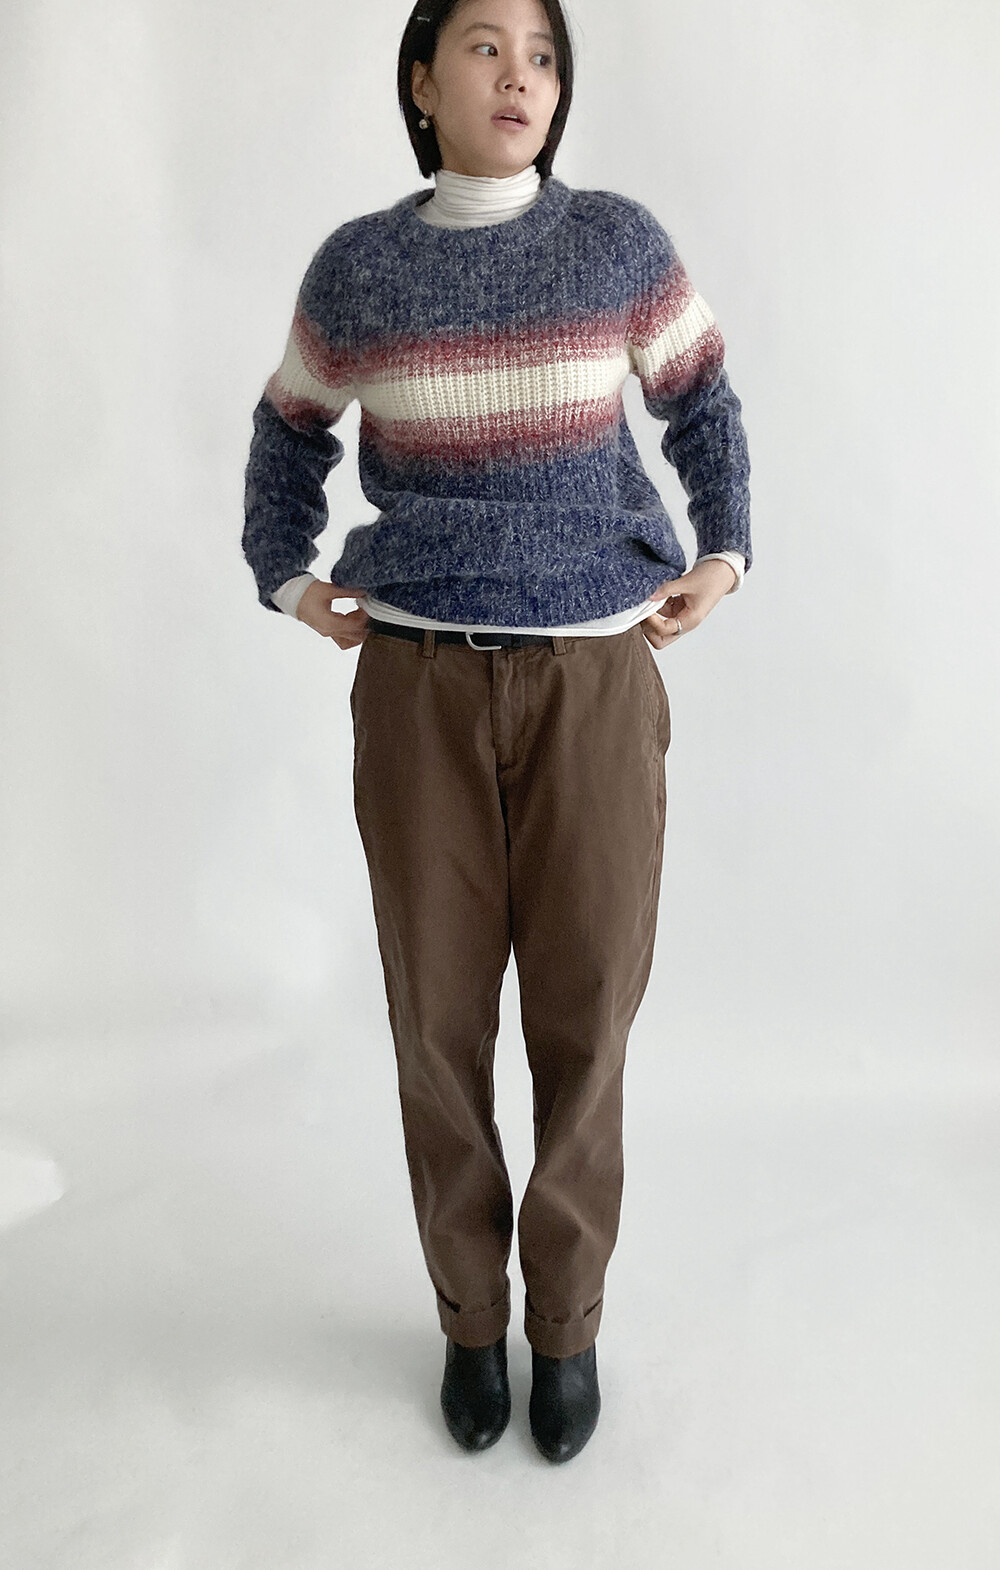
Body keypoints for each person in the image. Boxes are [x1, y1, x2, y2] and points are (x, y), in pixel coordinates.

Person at [242, 0, 751, 1464]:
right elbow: (289, 426)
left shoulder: (617, 247)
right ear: (422, 81)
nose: (519, 76)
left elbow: (703, 398)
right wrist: (289, 575)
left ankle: (565, 1326)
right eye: (484, 48)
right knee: (437, 1017)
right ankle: (472, 1320)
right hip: (418, 685)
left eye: (541, 55)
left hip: (594, 682)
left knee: (587, 1020)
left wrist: (726, 549)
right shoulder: (361, 268)